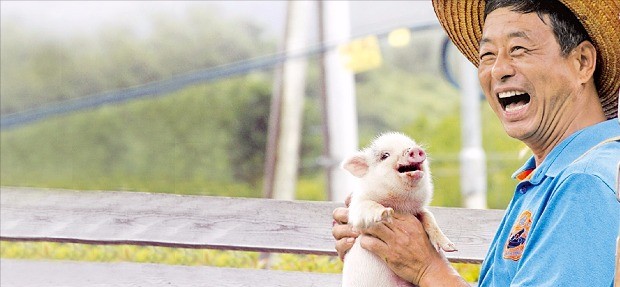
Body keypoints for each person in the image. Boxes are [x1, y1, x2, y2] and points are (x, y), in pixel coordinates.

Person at [332, 0, 620, 286]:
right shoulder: (550, 177)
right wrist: (381, 261)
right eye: (488, 55)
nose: (498, 70)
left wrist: (427, 268)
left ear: (582, 62)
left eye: (518, 49)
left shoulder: (586, 182)